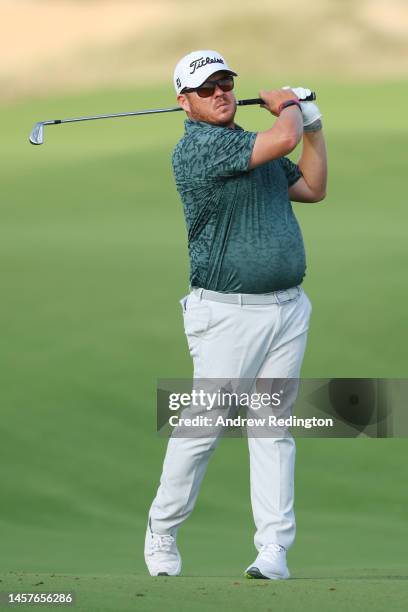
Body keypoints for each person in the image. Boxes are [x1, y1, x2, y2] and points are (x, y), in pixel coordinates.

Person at [145, 50, 327, 579]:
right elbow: (282, 136)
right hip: (226, 314)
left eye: (225, 82)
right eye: (206, 89)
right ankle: (162, 531)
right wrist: (291, 106)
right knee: (203, 428)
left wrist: (312, 126)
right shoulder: (197, 150)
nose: (221, 93)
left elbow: (313, 187)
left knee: (272, 429)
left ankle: (273, 549)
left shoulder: (255, 147)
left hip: (288, 309)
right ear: (185, 102)